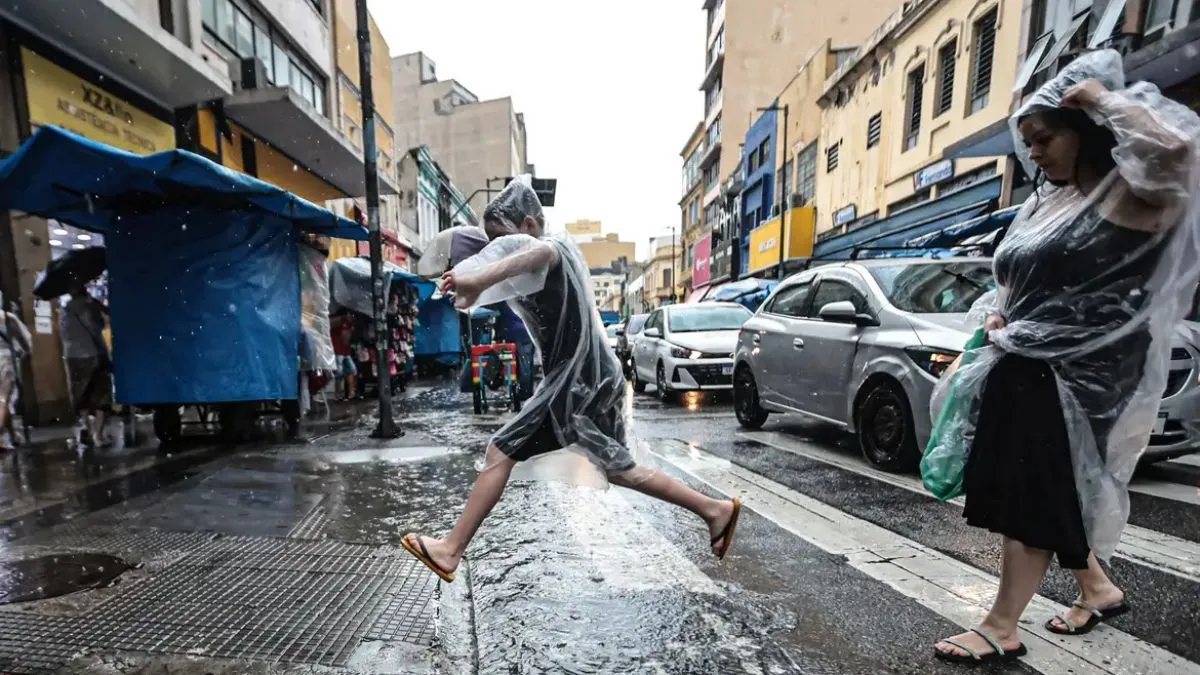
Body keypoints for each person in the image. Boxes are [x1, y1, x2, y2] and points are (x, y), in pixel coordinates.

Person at [931, 51, 1200, 664]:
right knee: (1045, 486)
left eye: (1045, 137)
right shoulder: (1051, 200)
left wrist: (1103, 98)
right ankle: (1097, 588)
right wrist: (1001, 316)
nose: (1036, 153)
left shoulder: (1133, 193)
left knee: (1033, 490)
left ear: (1085, 130)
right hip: (1025, 362)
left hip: (1082, 373)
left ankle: (1001, 625)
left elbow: (1179, 155)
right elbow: (1018, 277)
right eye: (1028, 144)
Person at [401, 177, 742, 583]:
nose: (499, 250)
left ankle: (451, 549)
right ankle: (714, 510)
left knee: (500, 450)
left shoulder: (553, 247)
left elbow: (537, 254)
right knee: (619, 468)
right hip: (591, 377)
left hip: (577, 380)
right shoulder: (527, 263)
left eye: (504, 240)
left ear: (528, 224)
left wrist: (479, 279)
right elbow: (499, 269)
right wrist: (472, 279)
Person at [60, 283, 113, 448]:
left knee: (81, 395)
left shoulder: (65, 309)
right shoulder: (88, 306)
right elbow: (96, 328)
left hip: (71, 357)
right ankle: (99, 435)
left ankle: (85, 427)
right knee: (102, 394)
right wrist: (106, 354)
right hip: (92, 354)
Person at [1, 294, 32, 451]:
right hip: (6, 361)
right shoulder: (7, 318)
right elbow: (24, 341)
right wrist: (26, 351)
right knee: (3, 400)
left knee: (3, 402)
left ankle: (12, 435)